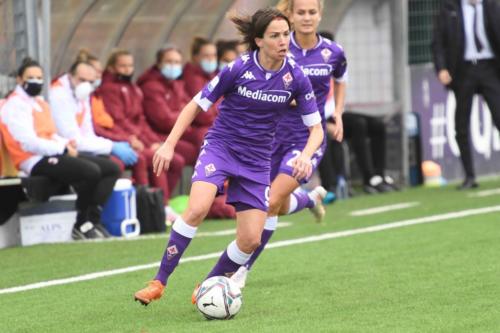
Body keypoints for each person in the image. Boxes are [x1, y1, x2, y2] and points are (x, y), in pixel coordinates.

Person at [133, 7, 323, 306]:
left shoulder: (295, 76)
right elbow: (195, 105)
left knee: (250, 240)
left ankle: (208, 285)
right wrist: (169, 144)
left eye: (286, 34)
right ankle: (159, 281)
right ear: (258, 40)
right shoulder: (239, 69)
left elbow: (316, 129)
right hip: (221, 148)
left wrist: (307, 155)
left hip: (257, 160)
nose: (283, 41)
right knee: (197, 208)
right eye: (275, 35)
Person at [230, 0, 348, 288]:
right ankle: (310, 199)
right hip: (271, 136)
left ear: (320, 15)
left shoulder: (333, 52)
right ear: (290, 16)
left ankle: (241, 270)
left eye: (312, 12)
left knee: (269, 204)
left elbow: (341, 78)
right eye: (301, 13)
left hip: (308, 138)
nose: (307, 18)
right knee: (278, 206)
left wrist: (338, 113)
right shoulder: (279, 47)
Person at [0, 58, 119, 239]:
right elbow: (28, 143)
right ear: (19, 79)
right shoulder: (14, 105)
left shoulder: (40, 103)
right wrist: (61, 149)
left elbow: (50, 133)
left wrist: (64, 144)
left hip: (51, 153)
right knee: (90, 171)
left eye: (39, 78)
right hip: (31, 161)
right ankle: (80, 222)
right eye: (30, 77)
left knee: (111, 168)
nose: (36, 81)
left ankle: (91, 219)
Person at [97, 49, 185, 206]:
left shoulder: (134, 89)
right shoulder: (108, 90)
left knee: (176, 160)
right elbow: (118, 121)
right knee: (153, 157)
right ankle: (154, 206)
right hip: (122, 140)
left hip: (138, 138)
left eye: (129, 65)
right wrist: (131, 139)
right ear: (111, 68)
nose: (127, 69)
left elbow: (141, 121)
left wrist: (152, 141)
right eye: (122, 66)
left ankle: (161, 202)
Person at [432, 0, 500, 189]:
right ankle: (469, 176)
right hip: (463, 70)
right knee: (461, 125)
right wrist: (441, 68)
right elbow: (438, 41)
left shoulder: (492, 7)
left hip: (490, 68)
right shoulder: (449, 9)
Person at [137, 45, 199, 163]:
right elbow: (164, 121)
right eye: (169, 61)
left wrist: (180, 113)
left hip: (177, 132)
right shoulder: (150, 86)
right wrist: (183, 113)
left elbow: (191, 109)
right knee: (191, 152)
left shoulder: (176, 84)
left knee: (207, 139)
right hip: (158, 135)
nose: (173, 66)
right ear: (159, 64)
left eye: (177, 62)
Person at [182, 37, 218, 147]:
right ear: (195, 57)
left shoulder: (212, 76)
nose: (211, 59)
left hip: (213, 125)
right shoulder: (192, 79)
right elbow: (202, 114)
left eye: (214, 55)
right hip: (198, 128)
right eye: (206, 56)